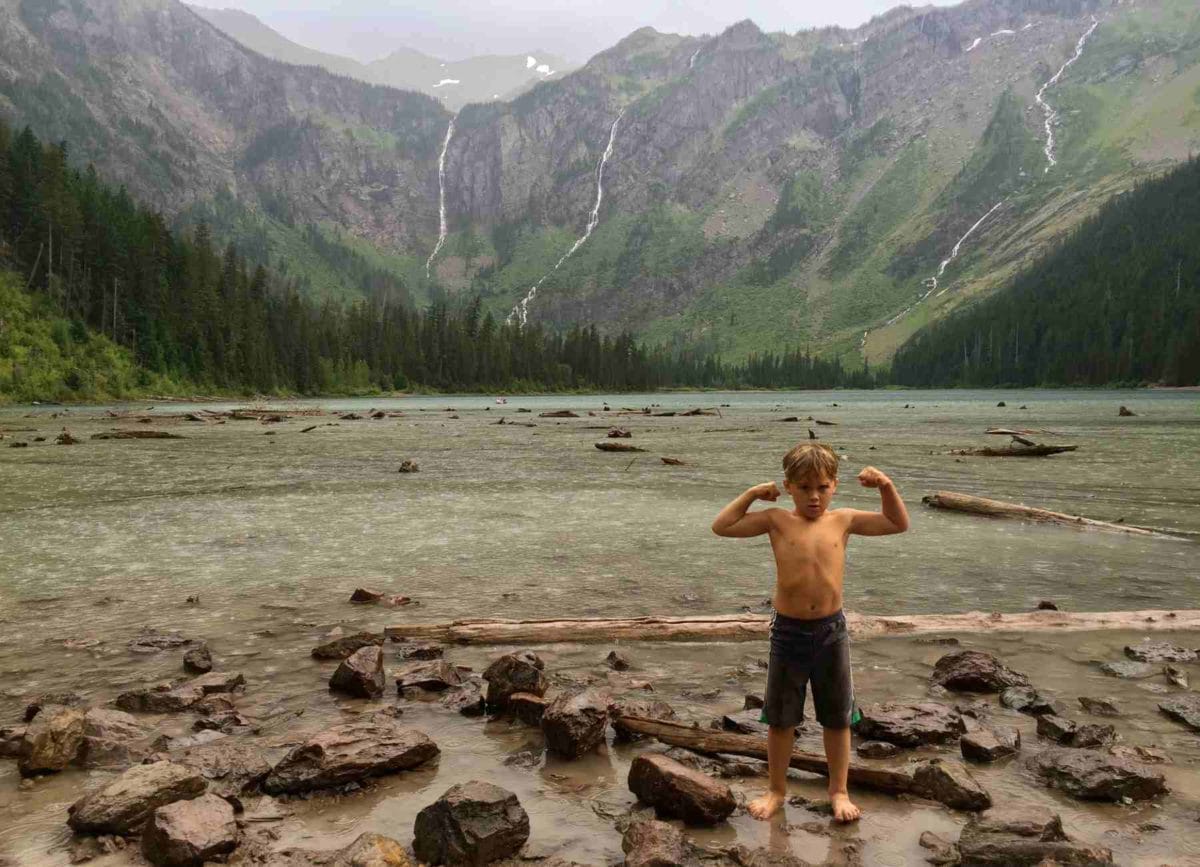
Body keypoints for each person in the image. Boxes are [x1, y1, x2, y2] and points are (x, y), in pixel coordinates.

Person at [711, 442, 909, 822]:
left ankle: (839, 790)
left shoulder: (845, 520)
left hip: (831, 631)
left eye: (822, 487)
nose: (814, 497)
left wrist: (885, 485)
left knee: (837, 717)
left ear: (834, 485)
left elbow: (897, 523)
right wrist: (753, 493)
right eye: (804, 488)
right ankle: (776, 791)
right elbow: (722, 526)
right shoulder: (775, 520)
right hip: (788, 633)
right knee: (781, 718)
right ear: (788, 487)